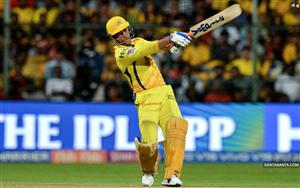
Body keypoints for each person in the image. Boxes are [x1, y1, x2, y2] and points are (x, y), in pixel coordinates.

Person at [106, 16, 191, 187]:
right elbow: (144, 50)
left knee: (176, 130)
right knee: (149, 141)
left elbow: (154, 47)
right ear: (114, 38)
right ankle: (148, 172)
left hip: (164, 91)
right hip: (145, 97)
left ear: (128, 28)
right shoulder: (120, 54)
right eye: (118, 34)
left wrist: (172, 46)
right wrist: (169, 38)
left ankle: (171, 176)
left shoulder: (139, 41)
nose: (123, 34)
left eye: (124, 29)